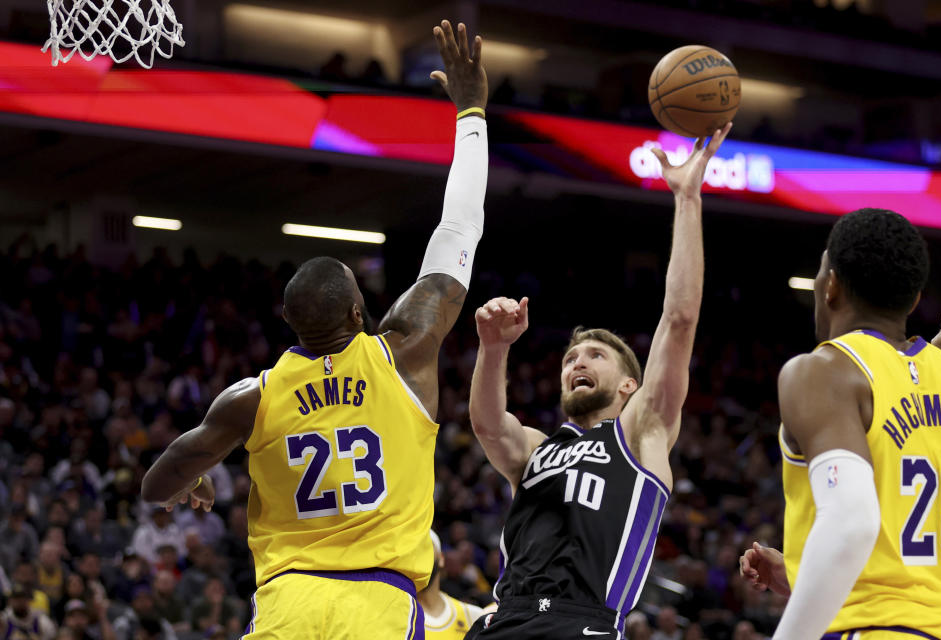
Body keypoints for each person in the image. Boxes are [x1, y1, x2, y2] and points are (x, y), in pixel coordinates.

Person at [141, 19, 489, 639]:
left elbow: (157, 481)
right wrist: (471, 111)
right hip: (380, 602)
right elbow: (459, 228)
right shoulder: (403, 353)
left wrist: (192, 477)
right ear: (361, 313)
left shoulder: (252, 398)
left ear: (286, 321)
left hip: (288, 601)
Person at [465, 123, 731, 639]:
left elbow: (678, 319)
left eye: (594, 356)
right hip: (503, 620)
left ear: (630, 384)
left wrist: (687, 198)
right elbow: (489, 425)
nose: (576, 363)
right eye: (570, 358)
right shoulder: (537, 450)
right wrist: (494, 348)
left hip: (580, 623)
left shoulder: (642, 432)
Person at [740, 210, 941, 639]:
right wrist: (803, 571)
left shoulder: (823, 370)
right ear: (914, 300)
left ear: (831, 285)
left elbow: (850, 522)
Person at [417, 531, 484, 639]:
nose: (419, 553)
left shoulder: (473, 616)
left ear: (442, 558)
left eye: (425, 545)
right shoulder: (395, 615)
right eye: (413, 549)